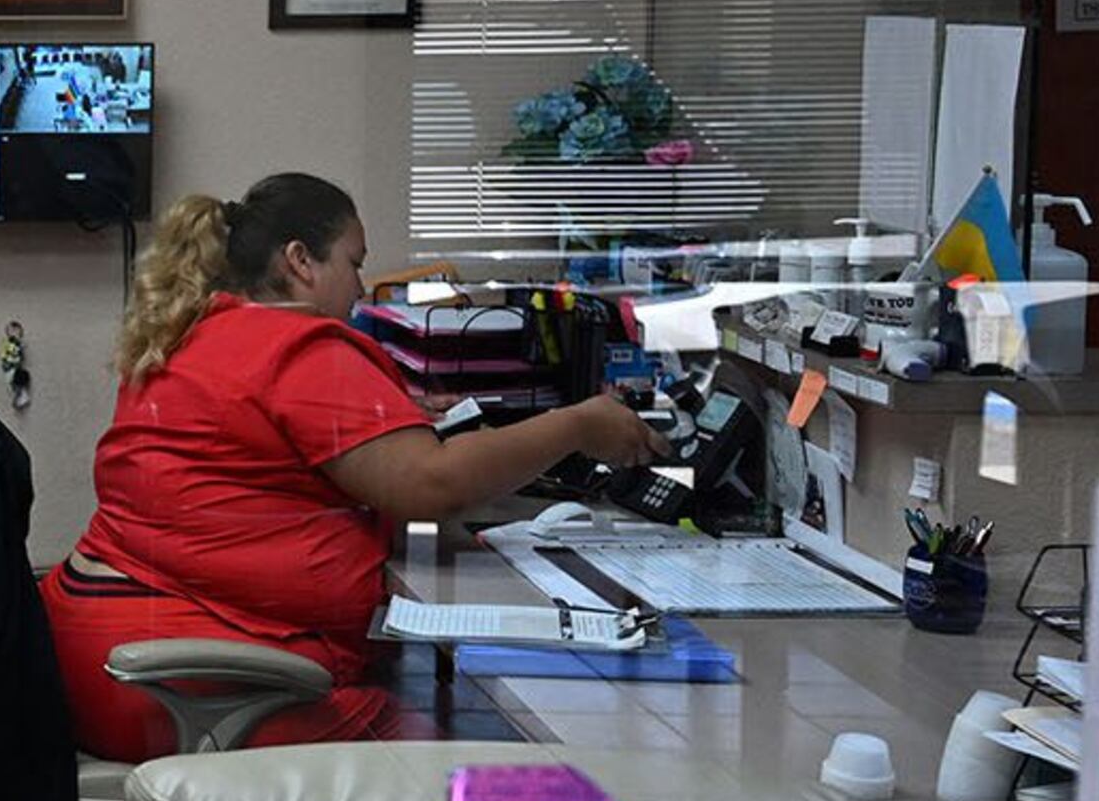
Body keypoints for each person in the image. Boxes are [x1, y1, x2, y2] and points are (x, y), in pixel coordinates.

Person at [43, 172, 663, 762]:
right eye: (354, 263)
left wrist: (387, 421)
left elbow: (259, 465)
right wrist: (579, 425)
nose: (361, 289)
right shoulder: (298, 347)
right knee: (495, 765)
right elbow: (431, 484)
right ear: (300, 261)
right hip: (202, 686)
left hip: (107, 666)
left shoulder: (190, 334)